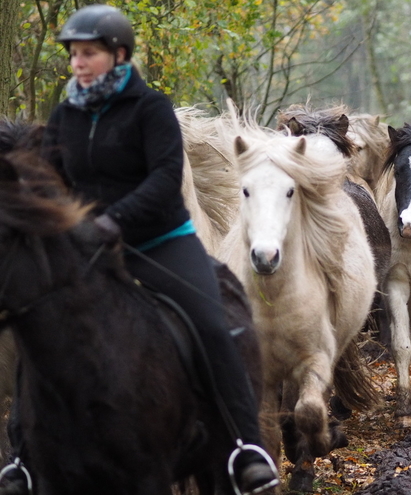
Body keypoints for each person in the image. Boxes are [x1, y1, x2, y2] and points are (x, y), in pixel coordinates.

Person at [26, 4, 278, 494]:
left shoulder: (150, 108)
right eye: (74, 54)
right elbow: (46, 177)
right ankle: (22, 457)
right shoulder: (65, 114)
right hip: (86, 249)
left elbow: (164, 179)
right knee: (39, 324)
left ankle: (246, 448)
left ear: (119, 55)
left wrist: (112, 219)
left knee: (213, 324)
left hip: (161, 242)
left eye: (88, 54)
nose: (77, 63)